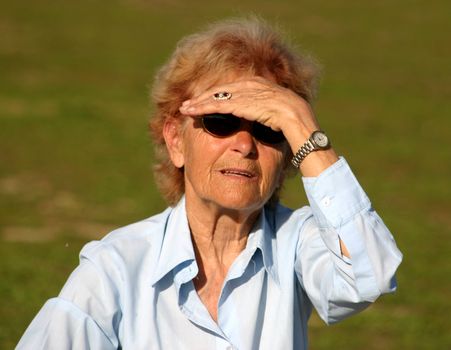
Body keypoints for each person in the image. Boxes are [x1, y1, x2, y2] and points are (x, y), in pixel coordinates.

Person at [17, 18, 402, 349]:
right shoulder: (116, 269)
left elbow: (369, 278)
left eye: (269, 127)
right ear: (176, 141)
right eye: (221, 121)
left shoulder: (297, 242)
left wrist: (301, 124)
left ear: (287, 156)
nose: (244, 144)